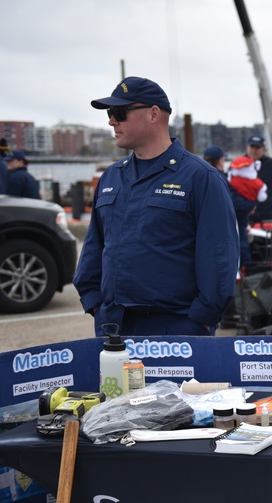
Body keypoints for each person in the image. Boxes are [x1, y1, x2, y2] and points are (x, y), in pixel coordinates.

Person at [73, 76, 239, 337]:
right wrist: (94, 303)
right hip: (114, 324)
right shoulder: (112, 177)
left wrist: (200, 320)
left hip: (176, 327)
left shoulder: (200, 177)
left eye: (119, 112)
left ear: (153, 114)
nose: (111, 121)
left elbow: (219, 256)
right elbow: (95, 245)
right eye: (109, 113)